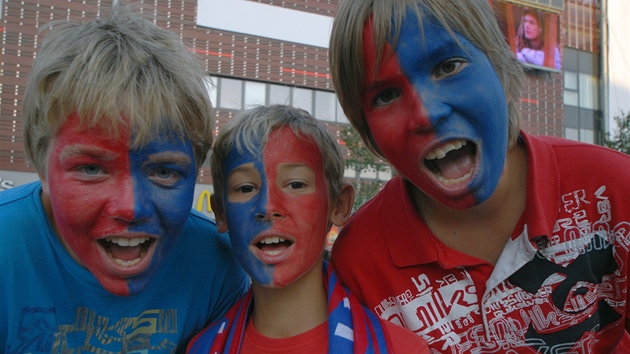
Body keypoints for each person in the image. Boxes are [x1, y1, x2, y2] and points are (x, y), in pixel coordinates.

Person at [328, 0, 630, 352]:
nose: (426, 114)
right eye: (387, 95)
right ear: (367, 130)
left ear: (499, 66)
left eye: (448, 66)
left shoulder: (612, 188)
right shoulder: (359, 259)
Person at [0, 4, 249, 353]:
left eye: (164, 172)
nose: (131, 208)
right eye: (91, 169)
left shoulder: (216, 265)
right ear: (42, 167)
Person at [187, 105, 429, 353]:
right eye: (245, 188)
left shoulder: (403, 349)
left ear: (339, 205)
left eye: (295, 184)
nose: (268, 207)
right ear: (220, 213)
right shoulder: (200, 349)